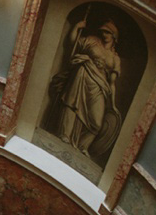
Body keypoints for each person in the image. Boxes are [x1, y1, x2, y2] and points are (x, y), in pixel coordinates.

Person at [49, 18, 122, 158]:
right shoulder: (92, 40)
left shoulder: (115, 59)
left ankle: (82, 146)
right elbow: (73, 42)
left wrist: (112, 105)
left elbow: (112, 83)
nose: (104, 35)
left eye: (108, 33)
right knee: (71, 103)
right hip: (82, 74)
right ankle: (64, 134)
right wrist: (76, 26)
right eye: (103, 32)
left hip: (100, 86)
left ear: (114, 37)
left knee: (96, 122)